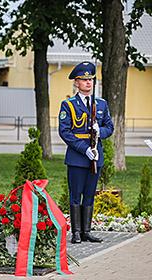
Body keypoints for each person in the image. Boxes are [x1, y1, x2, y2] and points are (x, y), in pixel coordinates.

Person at [58, 62, 114, 244]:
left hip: (95, 156)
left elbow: (110, 127)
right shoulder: (68, 105)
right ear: (76, 82)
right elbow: (65, 132)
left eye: (90, 79)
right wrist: (84, 149)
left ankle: (86, 232)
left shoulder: (101, 104)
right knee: (76, 194)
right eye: (84, 80)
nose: (88, 83)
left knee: (89, 194)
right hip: (77, 157)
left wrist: (100, 131)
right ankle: (76, 232)